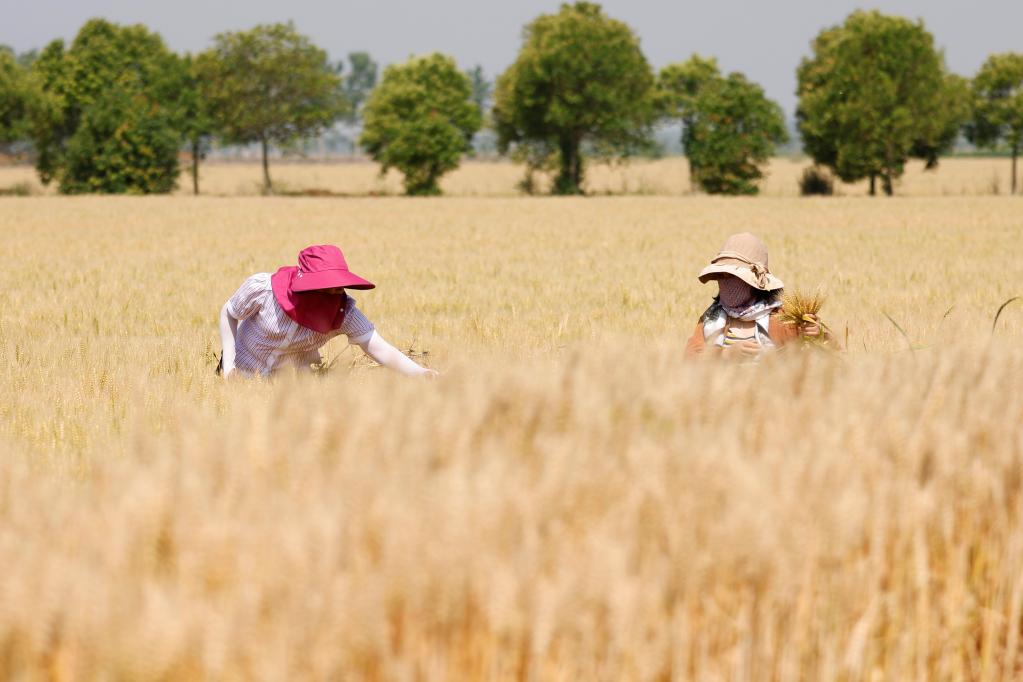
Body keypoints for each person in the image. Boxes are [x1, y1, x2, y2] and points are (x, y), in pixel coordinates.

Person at [218, 244, 435, 378]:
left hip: (283, 392)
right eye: (326, 286)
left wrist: (421, 374)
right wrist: (228, 368)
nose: (334, 292)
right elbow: (229, 312)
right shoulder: (263, 290)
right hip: (238, 378)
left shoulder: (344, 314)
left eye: (338, 286)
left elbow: (379, 348)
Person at [684, 232, 827, 359]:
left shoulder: (784, 317)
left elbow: (830, 357)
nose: (725, 282)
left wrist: (819, 334)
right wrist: (726, 354)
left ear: (754, 282)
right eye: (721, 275)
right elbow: (689, 359)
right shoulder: (710, 318)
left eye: (733, 276)